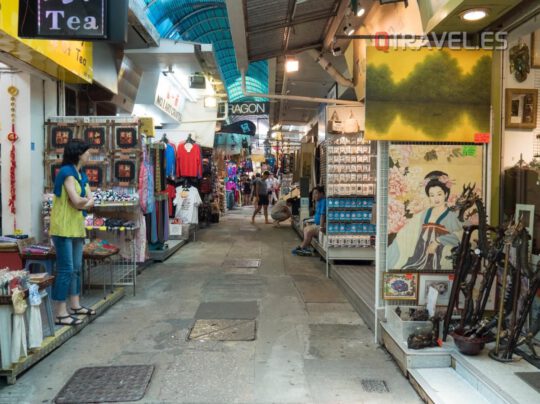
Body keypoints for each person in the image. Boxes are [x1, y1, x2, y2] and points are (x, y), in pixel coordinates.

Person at [50, 139, 96, 326]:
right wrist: (85, 200)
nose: (89, 154)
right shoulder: (67, 173)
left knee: (76, 268)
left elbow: (91, 199)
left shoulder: (80, 173)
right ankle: (61, 312)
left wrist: (84, 200)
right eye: (87, 151)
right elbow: (79, 201)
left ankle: (75, 305)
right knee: (65, 269)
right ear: (78, 153)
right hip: (62, 227)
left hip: (76, 226)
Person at [387, 171, 462, 270]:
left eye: (439, 194)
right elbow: (411, 231)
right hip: (419, 256)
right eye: (432, 195)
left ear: (446, 194)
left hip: (438, 256)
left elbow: (459, 236)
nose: (436, 198)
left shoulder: (451, 216)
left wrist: (438, 241)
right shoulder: (425, 214)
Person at [292, 186, 326, 255]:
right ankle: (305, 247)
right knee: (306, 228)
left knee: (308, 231)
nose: (314, 195)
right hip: (317, 223)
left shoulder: (324, 201)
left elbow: (323, 215)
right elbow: (317, 214)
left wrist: (321, 227)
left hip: (322, 225)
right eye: (313, 194)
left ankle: (301, 247)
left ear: (322, 193)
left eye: (316, 193)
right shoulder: (319, 201)